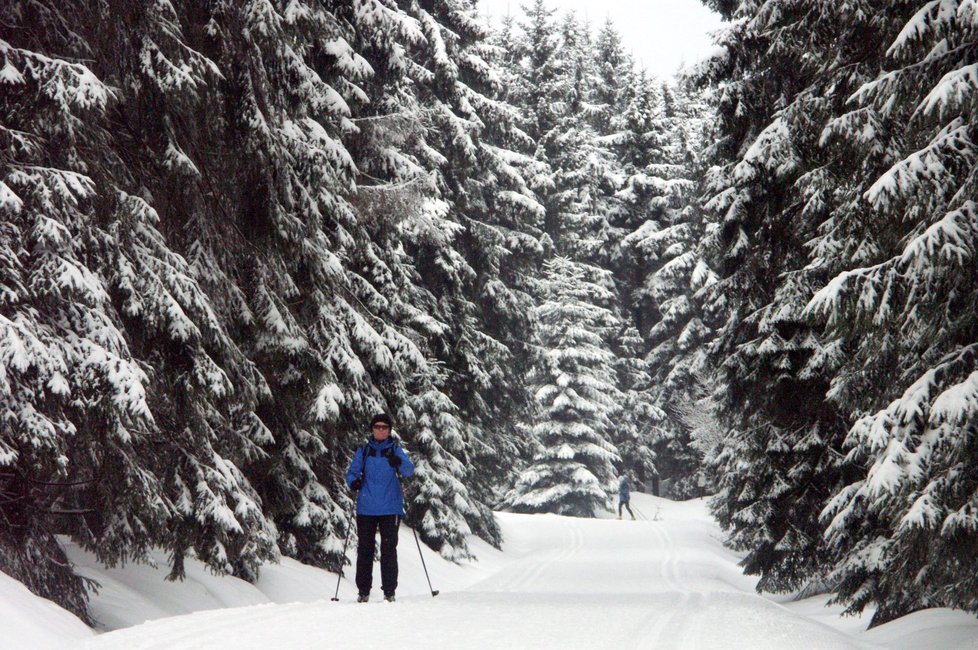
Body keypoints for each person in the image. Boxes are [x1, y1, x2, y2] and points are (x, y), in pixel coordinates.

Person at [345, 413, 415, 602]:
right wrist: (354, 482)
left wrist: (398, 462)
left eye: (384, 427)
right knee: (365, 549)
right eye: (377, 426)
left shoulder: (395, 449)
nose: (381, 430)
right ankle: (363, 591)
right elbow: (352, 473)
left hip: (390, 507)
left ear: (389, 430)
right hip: (367, 507)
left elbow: (409, 470)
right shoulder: (364, 450)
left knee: (388, 550)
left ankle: (389, 592)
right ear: (372, 429)